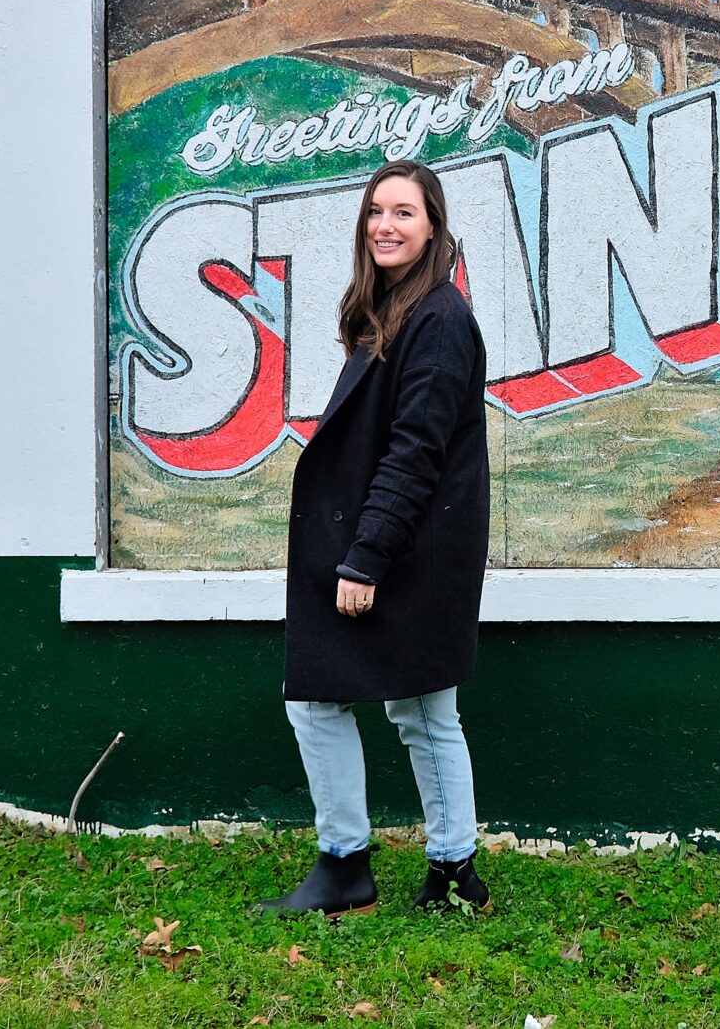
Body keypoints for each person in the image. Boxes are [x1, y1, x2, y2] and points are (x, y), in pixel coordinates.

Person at [257, 160, 492, 917]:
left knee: (380, 706)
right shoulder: (394, 308)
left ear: (433, 227)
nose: (386, 225)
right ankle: (436, 869)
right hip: (398, 545)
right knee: (407, 709)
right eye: (375, 212)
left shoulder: (438, 319)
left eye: (405, 213)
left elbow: (416, 450)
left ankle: (356, 865)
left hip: (404, 552)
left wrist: (365, 557)